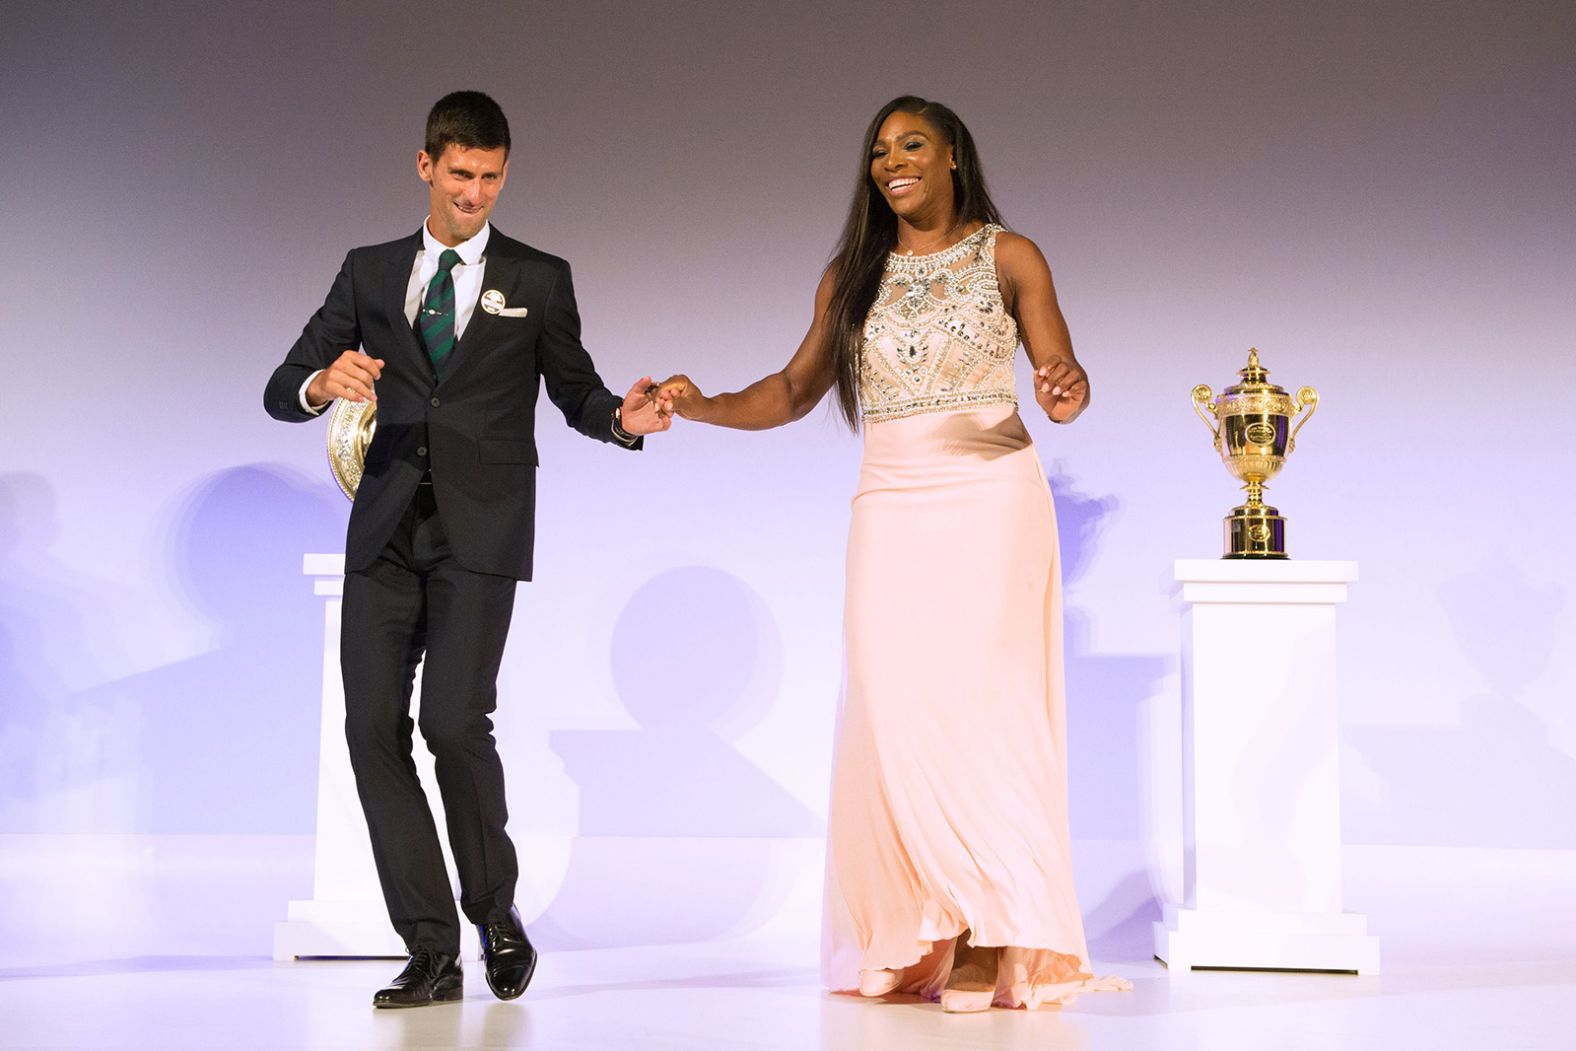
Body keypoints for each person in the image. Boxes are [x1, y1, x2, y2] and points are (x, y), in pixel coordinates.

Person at [656, 96, 1128, 1012]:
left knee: (986, 709)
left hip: (992, 496)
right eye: (879, 151)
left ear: (953, 156)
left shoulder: (1010, 255)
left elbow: (1059, 381)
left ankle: (999, 931)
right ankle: (932, 923)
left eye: (912, 145)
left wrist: (1066, 390)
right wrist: (699, 401)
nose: (893, 162)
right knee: (893, 709)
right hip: (892, 501)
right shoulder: (852, 276)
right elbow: (794, 389)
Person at [264, 91, 670, 1008]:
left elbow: (575, 389)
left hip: (479, 538)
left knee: (453, 723)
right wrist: (322, 382)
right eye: (460, 175)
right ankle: (432, 947)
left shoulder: (538, 276)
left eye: (491, 177)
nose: (476, 193)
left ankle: (494, 911)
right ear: (425, 166)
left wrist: (621, 418)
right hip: (386, 533)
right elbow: (282, 381)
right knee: (372, 729)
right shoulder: (369, 271)